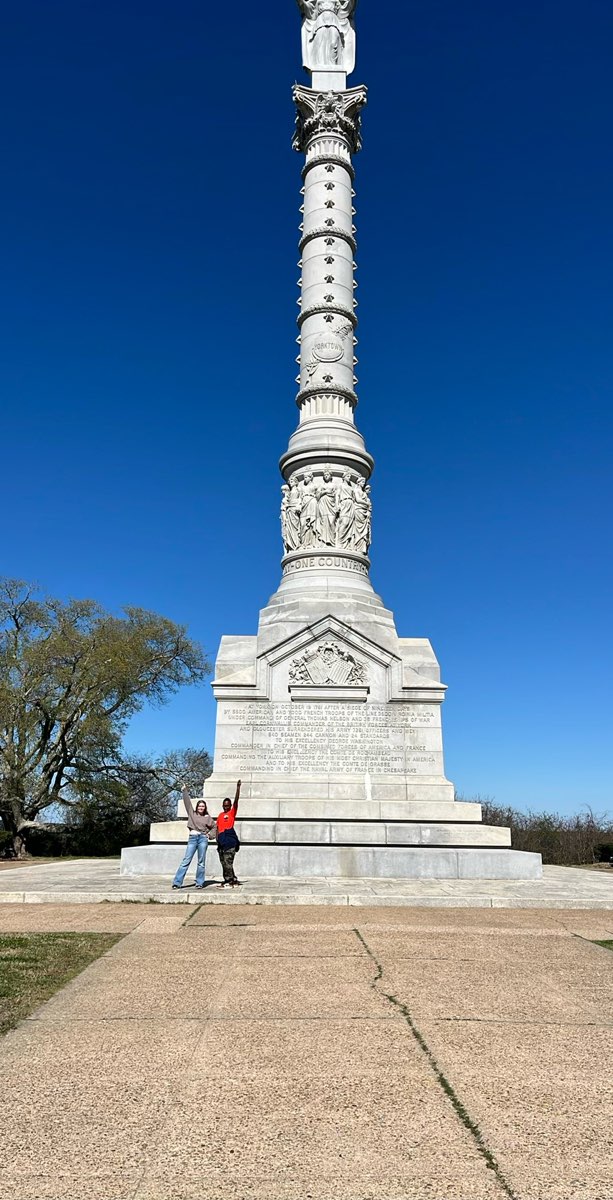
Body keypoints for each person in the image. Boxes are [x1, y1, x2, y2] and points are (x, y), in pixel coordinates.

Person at [171, 784, 216, 890]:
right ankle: (177, 882)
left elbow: (214, 827)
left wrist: (209, 835)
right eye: (200, 806)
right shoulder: (192, 813)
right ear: (197, 807)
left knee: (201, 862)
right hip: (193, 838)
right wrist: (184, 791)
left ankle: (199, 882)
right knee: (186, 860)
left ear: (205, 808)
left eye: (203, 806)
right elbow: (187, 803)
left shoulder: (208, 817)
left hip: (203, 839)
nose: (201, 808)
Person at [216, 779, 242, 887]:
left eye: (227, 805)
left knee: (228, 862)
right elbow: (217, 828)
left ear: (230, 806)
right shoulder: (220, 815)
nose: (226, 807)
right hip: (221, 841)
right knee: (223, 862)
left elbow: (236, 801)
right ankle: (228, 879)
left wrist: (238, 788)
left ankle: (232, 879)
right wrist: (217, 840)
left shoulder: (231, 813)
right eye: (224, 805)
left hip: (230, 841)